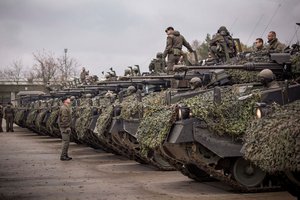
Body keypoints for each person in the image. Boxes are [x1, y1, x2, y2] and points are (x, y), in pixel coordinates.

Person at [58, 97, 72, 161]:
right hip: (64, 127)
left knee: (67, 142)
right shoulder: (64, 108)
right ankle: (63, 156)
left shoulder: (65, 107)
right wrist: (67, 127)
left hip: (64, 127)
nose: (70, 100)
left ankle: (65, 155)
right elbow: (64, 119)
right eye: (68, 99)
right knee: (65, 142)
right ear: (65, 100)